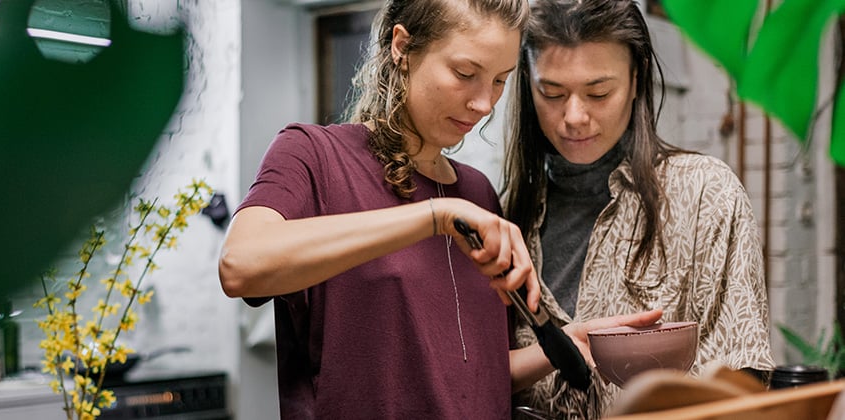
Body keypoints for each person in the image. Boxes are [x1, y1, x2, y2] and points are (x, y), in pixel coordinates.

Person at [219, 0, 662, 418]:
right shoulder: (313, 156)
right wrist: (434, 217)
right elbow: (241, 266)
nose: (484, 104)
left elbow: (470, 376)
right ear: (402, 46)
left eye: (500, 80)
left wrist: (565, 342)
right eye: (465, 73)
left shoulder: (477, 193)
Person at [500, 0, 776, 417]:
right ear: (527, 83)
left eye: (599, 93)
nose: (574, 117)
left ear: (636, 78)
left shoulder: (704, 195)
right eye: (551, 93)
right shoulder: (507, 221)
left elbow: (742, 379)